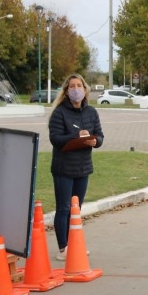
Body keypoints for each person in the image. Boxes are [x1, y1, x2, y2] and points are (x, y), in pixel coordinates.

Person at [47, 74, 104, 261]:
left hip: (83, 168)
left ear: (85, 90)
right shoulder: (59, 113)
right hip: (64, 168)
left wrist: (95, 141)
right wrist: (76, 136)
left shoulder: (91, 112)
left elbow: (100, 136)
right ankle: (63, 247)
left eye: (79, 85)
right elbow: (55, 138)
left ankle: (74, 244)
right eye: (72, 86)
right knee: (64, 208)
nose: (76, 89)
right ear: (66, 91)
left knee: (76, 209)